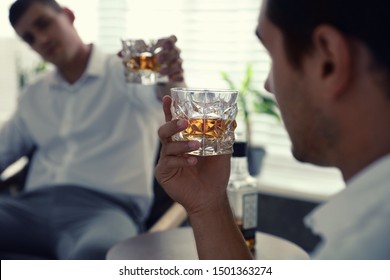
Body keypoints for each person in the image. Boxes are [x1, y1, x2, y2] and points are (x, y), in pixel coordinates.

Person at [155, 0, 390, 260]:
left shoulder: (363, 249)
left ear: (328, 62)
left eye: (272, 56)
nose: (268, 85)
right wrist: (209, 206)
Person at [0, 0, 185, 259]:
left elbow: (166, 99)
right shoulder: (34, 93)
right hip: (30, 208)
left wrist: (169, 77)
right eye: (29, 38)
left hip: (105, 210)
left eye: (43, 24)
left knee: (97, 255)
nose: (40, 39)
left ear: (68, 15)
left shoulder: (125, 69)